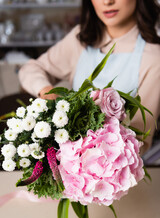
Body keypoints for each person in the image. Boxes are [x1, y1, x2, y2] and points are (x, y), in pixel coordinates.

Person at [18, 0, 160, 154]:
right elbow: (30, 69)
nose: (107, 2)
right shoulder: (81, 40)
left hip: (118, 168)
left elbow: (139, 140)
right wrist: (46, 89)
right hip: (69, 161)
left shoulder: (153, 57)